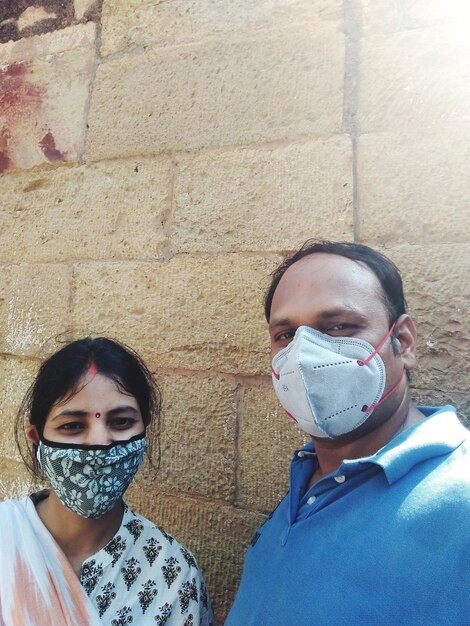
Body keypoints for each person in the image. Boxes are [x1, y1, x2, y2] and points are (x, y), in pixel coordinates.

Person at [226, 240, 470, 625]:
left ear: (403, 341)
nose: (305, 357)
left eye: (339, 327)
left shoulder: (461, 500)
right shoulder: (307, 480)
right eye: (286, 335)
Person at [0, 337, 214, 626]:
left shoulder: (172, 574)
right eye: (73, 426)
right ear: (38, 440)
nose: (99, 443)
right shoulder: (6, 535)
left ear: (144, 434)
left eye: (121, 421)